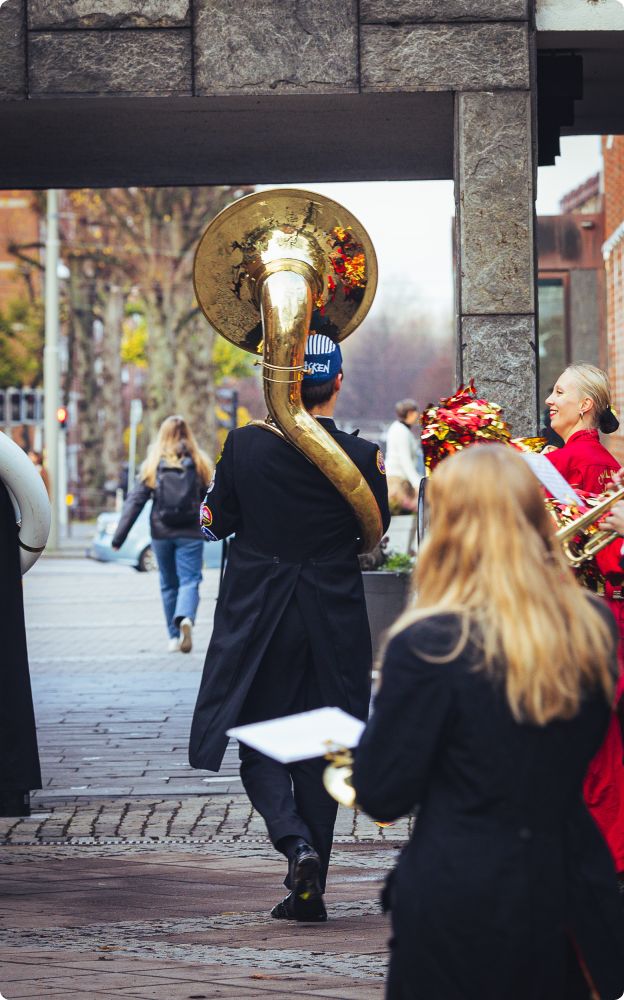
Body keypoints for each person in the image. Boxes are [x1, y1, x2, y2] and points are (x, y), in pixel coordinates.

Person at [353, 445, 624, 1000]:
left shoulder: (429, 643)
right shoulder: (593, 625)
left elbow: (383, 793)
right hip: (567, 885)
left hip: (459, 890)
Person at [189, 335, 390, 922]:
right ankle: (312, 886)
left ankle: (293, 843)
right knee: (322, 746)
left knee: (260, 739)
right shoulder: (363, 455)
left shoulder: (245, 446)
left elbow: (212, 525)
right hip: (332, 617)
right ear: (340, 382)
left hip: (264, 618)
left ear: (282, 380)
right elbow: (370, 538)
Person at [544, 363, 624, 878]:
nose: (550, 400)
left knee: (595, 745)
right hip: (595, 613)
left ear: (585, 406)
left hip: (592, 616)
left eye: (559, 392)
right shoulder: (579, 458)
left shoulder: (581, 458)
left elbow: (598, 555)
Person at [112, 415, 211, 653]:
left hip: (161, 533)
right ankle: (186, 616)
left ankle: (173, 637)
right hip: (191, 532)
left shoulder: (153, 464)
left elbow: (135, 501)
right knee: (190, 580)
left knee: (168, 584)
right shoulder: (200, 463)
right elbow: (214, 499)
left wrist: (119, 537)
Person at [385, 399, 424, 515]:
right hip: (398, 482)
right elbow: (405, 460)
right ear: (410, 413)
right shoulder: (401, 431)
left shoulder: (399, 429)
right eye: (416, 412)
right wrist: (417, 483)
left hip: (399, 480)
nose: (417, 416)